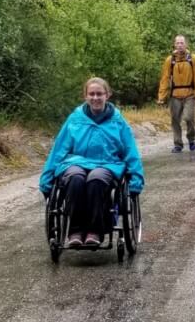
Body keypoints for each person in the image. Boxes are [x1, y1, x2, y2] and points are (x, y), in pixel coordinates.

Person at [39, 77, 145, 249]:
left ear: (107, 95)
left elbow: (130, 150)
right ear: (85, 96)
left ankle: (94, 231)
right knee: (75, 178)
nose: (95, 98)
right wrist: (47, 178)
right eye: (91, 94)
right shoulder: (75, 119)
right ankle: (75, 231)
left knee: (97, 179)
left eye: (99, 94)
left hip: (107, 163)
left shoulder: (118, 121)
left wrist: (136, 179)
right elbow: (58, 149)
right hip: (76, 162)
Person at [157, 34, 195, 153]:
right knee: (175, 120)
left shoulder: (193, 58)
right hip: (175, 95)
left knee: (188, 118)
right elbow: (165, 78)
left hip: (190, 94)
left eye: (182, 43)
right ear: (174, 45)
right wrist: (161, 96)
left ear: (186, 44)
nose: (180, 45)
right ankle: (178, 144)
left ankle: (191, 139)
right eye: (177, 43)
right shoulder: (170, 60)